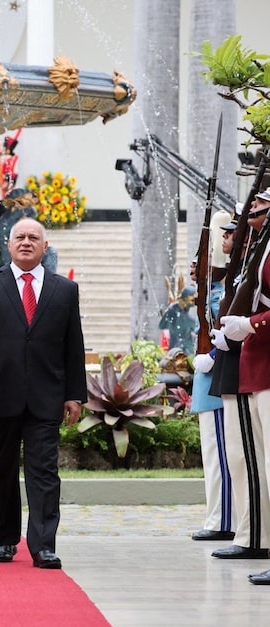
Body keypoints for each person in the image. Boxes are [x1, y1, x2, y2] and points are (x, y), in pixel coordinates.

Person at [0, 217, 86, 568]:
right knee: (0, 472)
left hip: (46, 398)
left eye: (34, 237)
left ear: (45, 247)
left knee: (44, 474)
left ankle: (44, 544)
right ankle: (4, 540)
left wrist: (74, 393)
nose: (27, 242)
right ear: (8, 244)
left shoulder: (64, 289)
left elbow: (73, 345)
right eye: (20, 237)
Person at [210, 211, 270, 560]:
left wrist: (249, 325)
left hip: (255, 362)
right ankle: (253, 536)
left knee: (253, 460)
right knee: (240, 459)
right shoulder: (253, 257)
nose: (229, 238)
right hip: (250, 364)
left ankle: (257, 537)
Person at [188, 208, 234, 543]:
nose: (194, 265)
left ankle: (223, 519)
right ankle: (217, 515)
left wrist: (212, 357)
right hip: (207, 382)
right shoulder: (211, 290)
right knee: (212, 453)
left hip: (217, 380)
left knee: (220, 454)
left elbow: (227, 332)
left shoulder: (224, 289)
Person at [158, 287, 197, 355]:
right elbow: (162, 325)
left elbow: (162, 325)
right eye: (193, 300)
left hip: (177, 350)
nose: (194, 303)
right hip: (182, 351)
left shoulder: (173, 309)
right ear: (186, 299)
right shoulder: (188, 319)